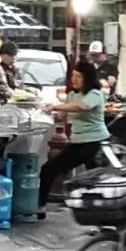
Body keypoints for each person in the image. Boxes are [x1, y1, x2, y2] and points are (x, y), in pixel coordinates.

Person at [40, 59, 109, 203]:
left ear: (87, 78)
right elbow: (63, 115)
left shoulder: (95, 94)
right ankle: (39, 206)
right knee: (48, 169)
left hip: (94, 143)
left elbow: (83, 107)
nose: (75, 80)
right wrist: (45, 113)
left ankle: (103, 212)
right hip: (78, 142)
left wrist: (56, 106)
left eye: (79, 77)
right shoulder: (72, 95)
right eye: (73, 76)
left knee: (97, 180)